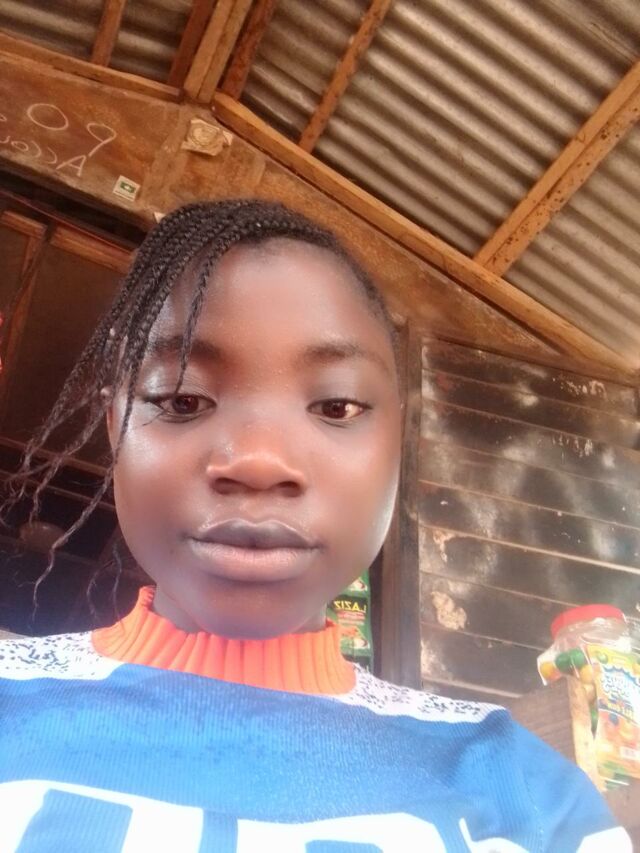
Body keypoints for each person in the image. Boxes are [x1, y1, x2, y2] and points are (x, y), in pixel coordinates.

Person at [0, 200, 630, 852]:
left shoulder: (523, 791)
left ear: (396, 443)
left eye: (336, 406)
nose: (258, 460)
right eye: (183, 399)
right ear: (117, 431)